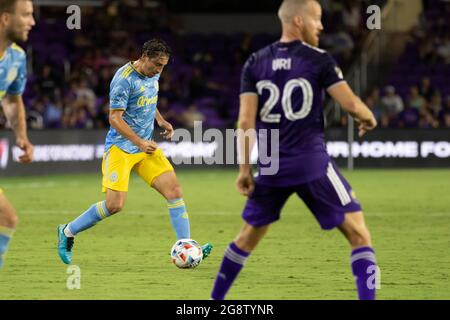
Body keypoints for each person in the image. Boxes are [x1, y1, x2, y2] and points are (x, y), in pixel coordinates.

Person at [211, 0, 378, 300]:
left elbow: (245, 121)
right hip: (312, 163)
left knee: (247, 238)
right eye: (317, 19)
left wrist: (245, 171)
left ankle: (214, 302)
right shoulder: (319, 60)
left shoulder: (255, 62)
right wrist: (368, 116)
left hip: (272, 166)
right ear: (298, 21)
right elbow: (351, 104)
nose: (322, 26)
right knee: (359, 234)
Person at [57, 39, 212, 266]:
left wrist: (161, 120)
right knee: (114, 205)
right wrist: (139, 142)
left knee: (174, 190)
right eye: (157, 65)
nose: (160, 70)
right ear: (145, 57)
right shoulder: (123, 79)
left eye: (163, 66)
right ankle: (68, 231)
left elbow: (148, 100)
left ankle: (186, 246)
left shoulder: (153, 75)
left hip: (145, 146)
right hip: (121, 148)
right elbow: (114, 118)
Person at [0, 0, 35, 270]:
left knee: (6, 218)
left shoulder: (16, 58)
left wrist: (21, 135)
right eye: (25, 15)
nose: (32, 22)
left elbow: (12, 99)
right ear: (5, 19)